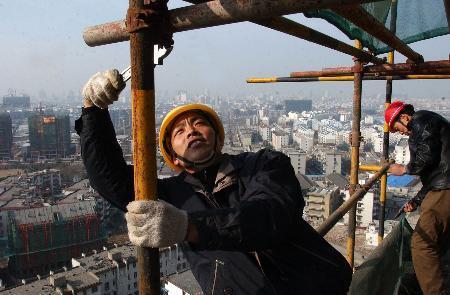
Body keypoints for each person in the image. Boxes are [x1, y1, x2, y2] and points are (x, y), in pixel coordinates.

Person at [76, 69, 352, 294]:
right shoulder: (174, 196)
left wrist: (190, 227)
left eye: (198, 123)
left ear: (217, 137)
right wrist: (93, 112)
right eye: (180, 131)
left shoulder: (263, 164)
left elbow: (270, 214)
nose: (191, 131)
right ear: (174, 157)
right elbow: (110, 180)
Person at [386, 101, 450, 294]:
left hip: (445, 191)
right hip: (442, 188)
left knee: (422, 244)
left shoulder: (421, 121)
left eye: (397, 128)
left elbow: (426, 158)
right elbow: (435, 175)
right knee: (437, 242)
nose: (401, 133)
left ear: (404, 117)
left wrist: (404, 169)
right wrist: (415, 201)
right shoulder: (430, 121)